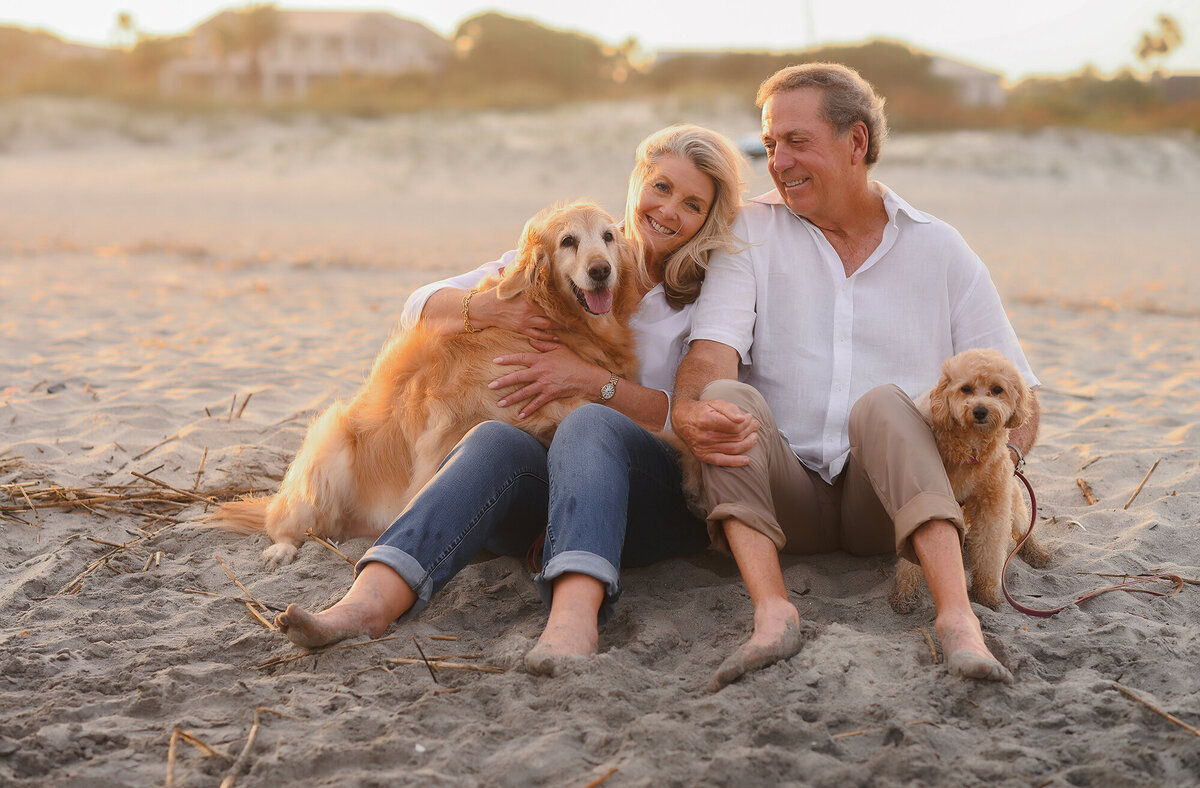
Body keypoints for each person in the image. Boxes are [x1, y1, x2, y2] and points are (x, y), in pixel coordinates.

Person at [275, 124, 746, 675]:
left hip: (645, 492)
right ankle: (367, 602)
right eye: (661, 188)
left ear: (708, 218)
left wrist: (591, 381)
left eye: (692, 203)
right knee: (493, 437)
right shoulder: (573, 245)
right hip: (554, 497)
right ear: (637, 184)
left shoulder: (713, 290)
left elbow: (688, 417)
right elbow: (420, 305)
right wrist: (493, 310)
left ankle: (572, 622)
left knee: (588, 423)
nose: (668, 211)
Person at [670, 63, 1040, 690]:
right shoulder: (751, 232)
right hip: (789, 500)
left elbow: (1022, 399)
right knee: (725, 397)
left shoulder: (940, 248)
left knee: (885, 407)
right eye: (769, 146)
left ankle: (957, 621)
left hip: (890, 508)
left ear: (857, 143)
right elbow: (712, 353)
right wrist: (688, 408)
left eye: (796, 141)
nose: (778, 162)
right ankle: (771, 612)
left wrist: (990, 473)